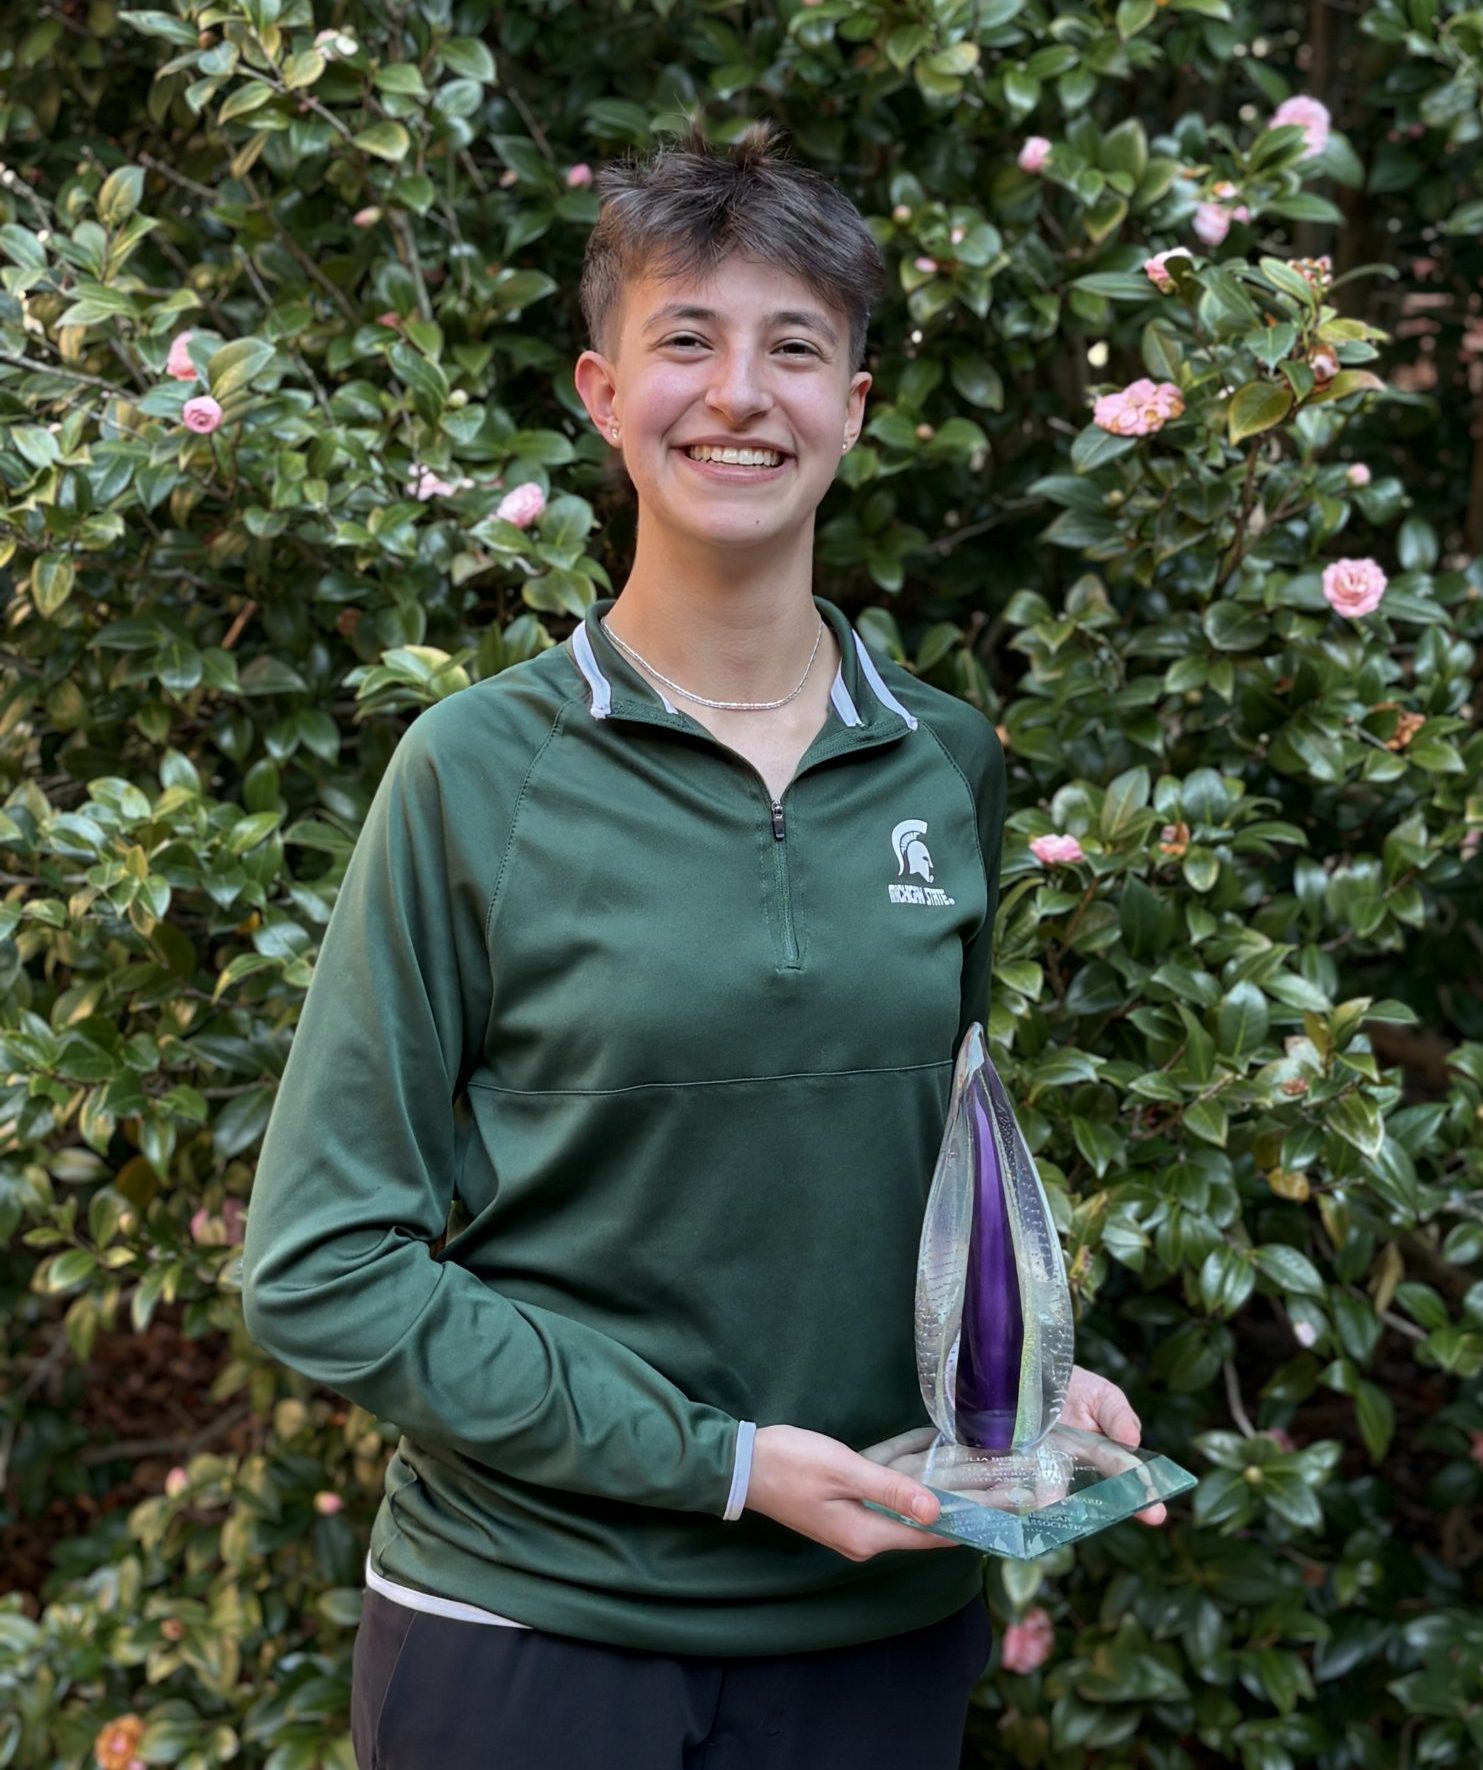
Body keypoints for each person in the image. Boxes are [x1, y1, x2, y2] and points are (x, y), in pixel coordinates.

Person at [241, 119, 1165, 1770]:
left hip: (877, 1630)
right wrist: (722, 1462)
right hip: (533, 1629)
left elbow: (909, 1161)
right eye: (688, 338)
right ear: (604, 396)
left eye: (794, 348)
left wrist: (1020, 1403)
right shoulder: (474, 772)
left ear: (854, 411)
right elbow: (325, 1267)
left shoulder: (944, 764)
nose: (740, 393)